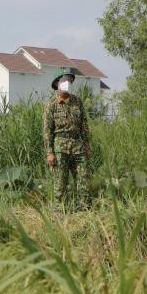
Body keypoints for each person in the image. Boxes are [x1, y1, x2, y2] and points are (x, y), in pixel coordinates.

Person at [43, 67, 91, 210]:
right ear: (57, 84)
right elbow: (47, 130)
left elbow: (84, 125)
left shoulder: (77, 102)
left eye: (69, 80)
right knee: (60, 180)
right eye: (64, 80)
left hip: (78, 145)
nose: (67, 83)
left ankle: (84, 207)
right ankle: (59, 209)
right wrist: (49, 152)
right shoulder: (51, 105)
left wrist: (87, 146)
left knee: (83, 177)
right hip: (60, 147)